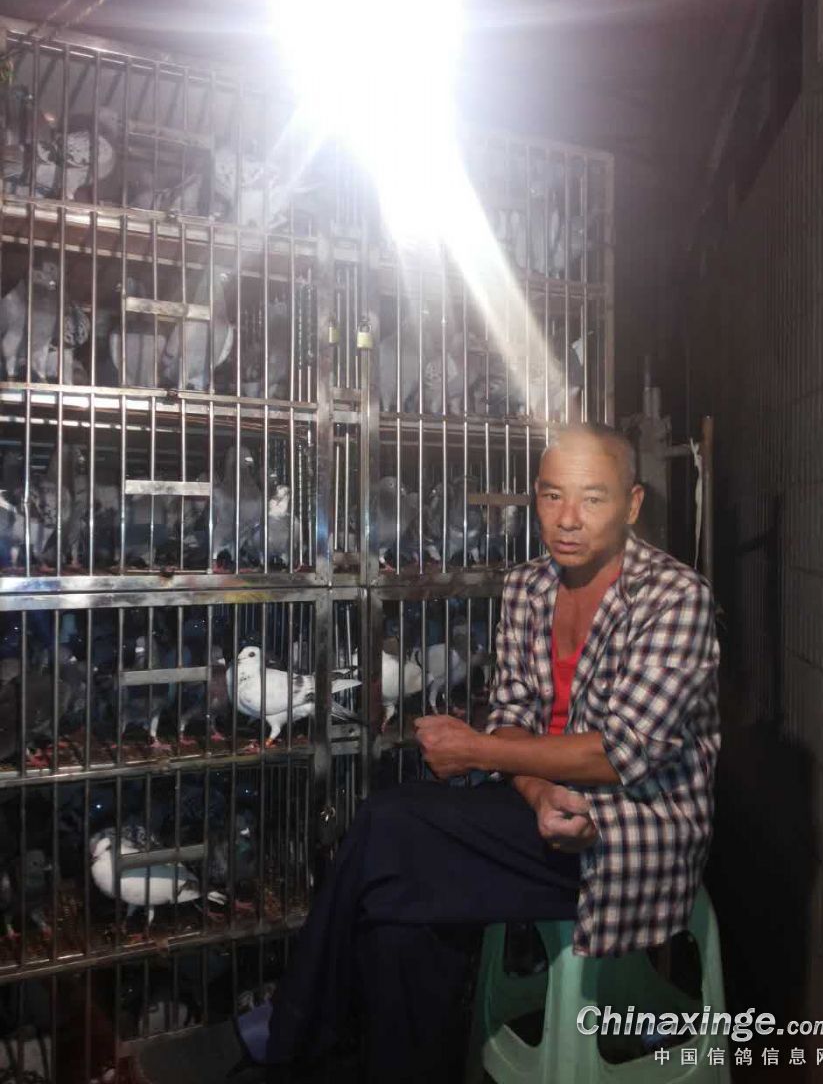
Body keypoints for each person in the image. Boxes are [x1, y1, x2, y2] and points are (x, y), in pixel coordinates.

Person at [137, 423, 720, 1084]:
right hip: (537, 811)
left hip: (629, 832)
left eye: (593, 499)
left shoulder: (675, 598)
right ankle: (328, 1047)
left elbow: (622, 754)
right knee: (402, 910)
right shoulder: (529, 587)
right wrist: (534, 790)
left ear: (633, 504)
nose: (566, 519)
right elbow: (513, 717)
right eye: (552, 495)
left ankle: (286, 1032)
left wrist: (476, 751)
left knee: (391, 825)